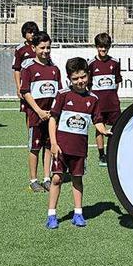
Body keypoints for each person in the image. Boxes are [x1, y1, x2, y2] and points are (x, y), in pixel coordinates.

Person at [45, 57, 110, 229]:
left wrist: (105, 131)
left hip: (79, 150)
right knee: (57, 178)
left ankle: (78, 213)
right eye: (75, 78)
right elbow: (53, 120)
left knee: (77, 180)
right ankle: (52, 215)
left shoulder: (93, 99)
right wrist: (53, 143)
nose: (80, 81)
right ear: (69, 79)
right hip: (60, 147)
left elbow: (98, 121)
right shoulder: (63, 95)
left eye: (83, 77)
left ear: (88, 75)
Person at [20, 31, 60, 193]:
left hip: (50, 116)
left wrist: (53, 112)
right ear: (34, 48)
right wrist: (38, 110)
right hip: (36, 115)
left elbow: (58, 91)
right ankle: (33, 180)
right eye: (42, 47)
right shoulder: (28, 68)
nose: (45, 51)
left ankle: (46, 178)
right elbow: (25, 92)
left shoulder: (54, 68)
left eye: (48, 48)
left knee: (49, 146)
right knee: (34, 147)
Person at [88, 33, 122, 167]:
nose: (103, 50)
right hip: (99, 104)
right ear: (96, 47)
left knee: (116, 128)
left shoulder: (114, 63)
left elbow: (117, 81)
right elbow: (88, 84)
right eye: (101, 47)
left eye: (106, 47)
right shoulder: (91, 64)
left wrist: (112, 95)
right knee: (100, 128)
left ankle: (113, 153)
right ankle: (102, 155)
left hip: (112, 103)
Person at [12, 21, 40, 97]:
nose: (32, 34)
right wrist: (18, 87)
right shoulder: (20, 49)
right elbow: (17, 69)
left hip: (39, 81)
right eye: (30, 32)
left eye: (34, 32)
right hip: (25, 82)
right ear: (24, 33)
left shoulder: (40, 47)